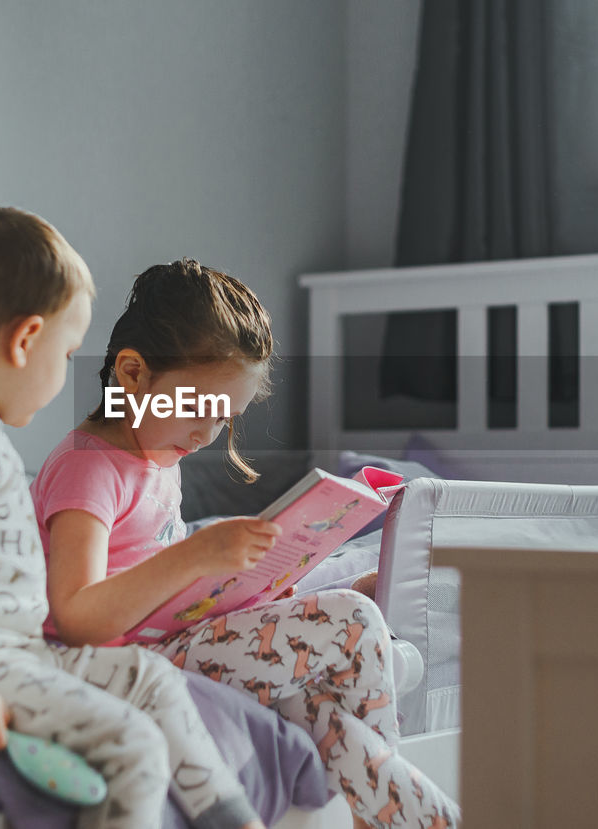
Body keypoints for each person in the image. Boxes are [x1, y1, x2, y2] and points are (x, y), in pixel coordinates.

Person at [0, 210, 265, 829]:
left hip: (20, 650)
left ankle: (224, 812)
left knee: (150, 681)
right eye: (68, 351)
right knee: (133, 745)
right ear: (25, 341)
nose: (67, 375)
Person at [32, 258, 461, 829]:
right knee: (352, 620)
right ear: (132, 374)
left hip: (180, 638)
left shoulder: (158, 456)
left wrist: (274, 583)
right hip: (131, 663)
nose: (206, 436)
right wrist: (194, 555)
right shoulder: (89, 468)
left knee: (328, 715)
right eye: (197, 411)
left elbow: (180, 588)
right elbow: (77, 615)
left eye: (223, 421)